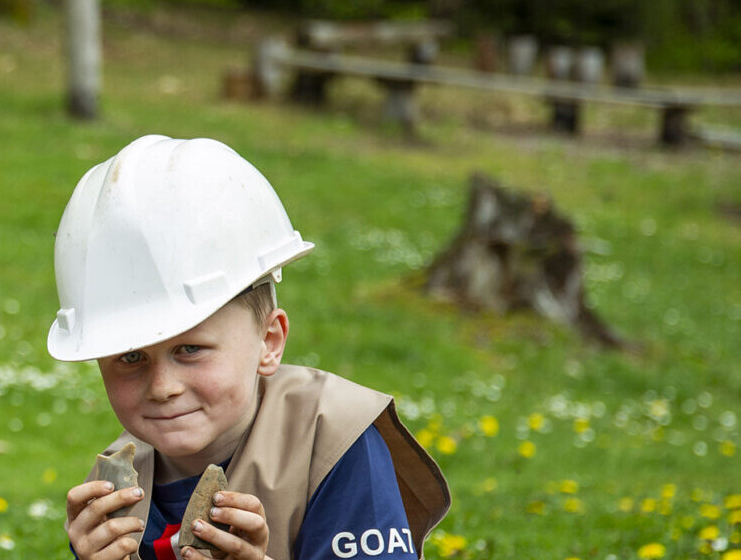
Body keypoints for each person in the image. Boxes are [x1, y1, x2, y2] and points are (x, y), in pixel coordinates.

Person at [53, 136, 450, 560]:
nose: (162, 387)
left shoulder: (334, 441)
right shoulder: (115, 483)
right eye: (131, 357)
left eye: (190, 349)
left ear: (269, 341)